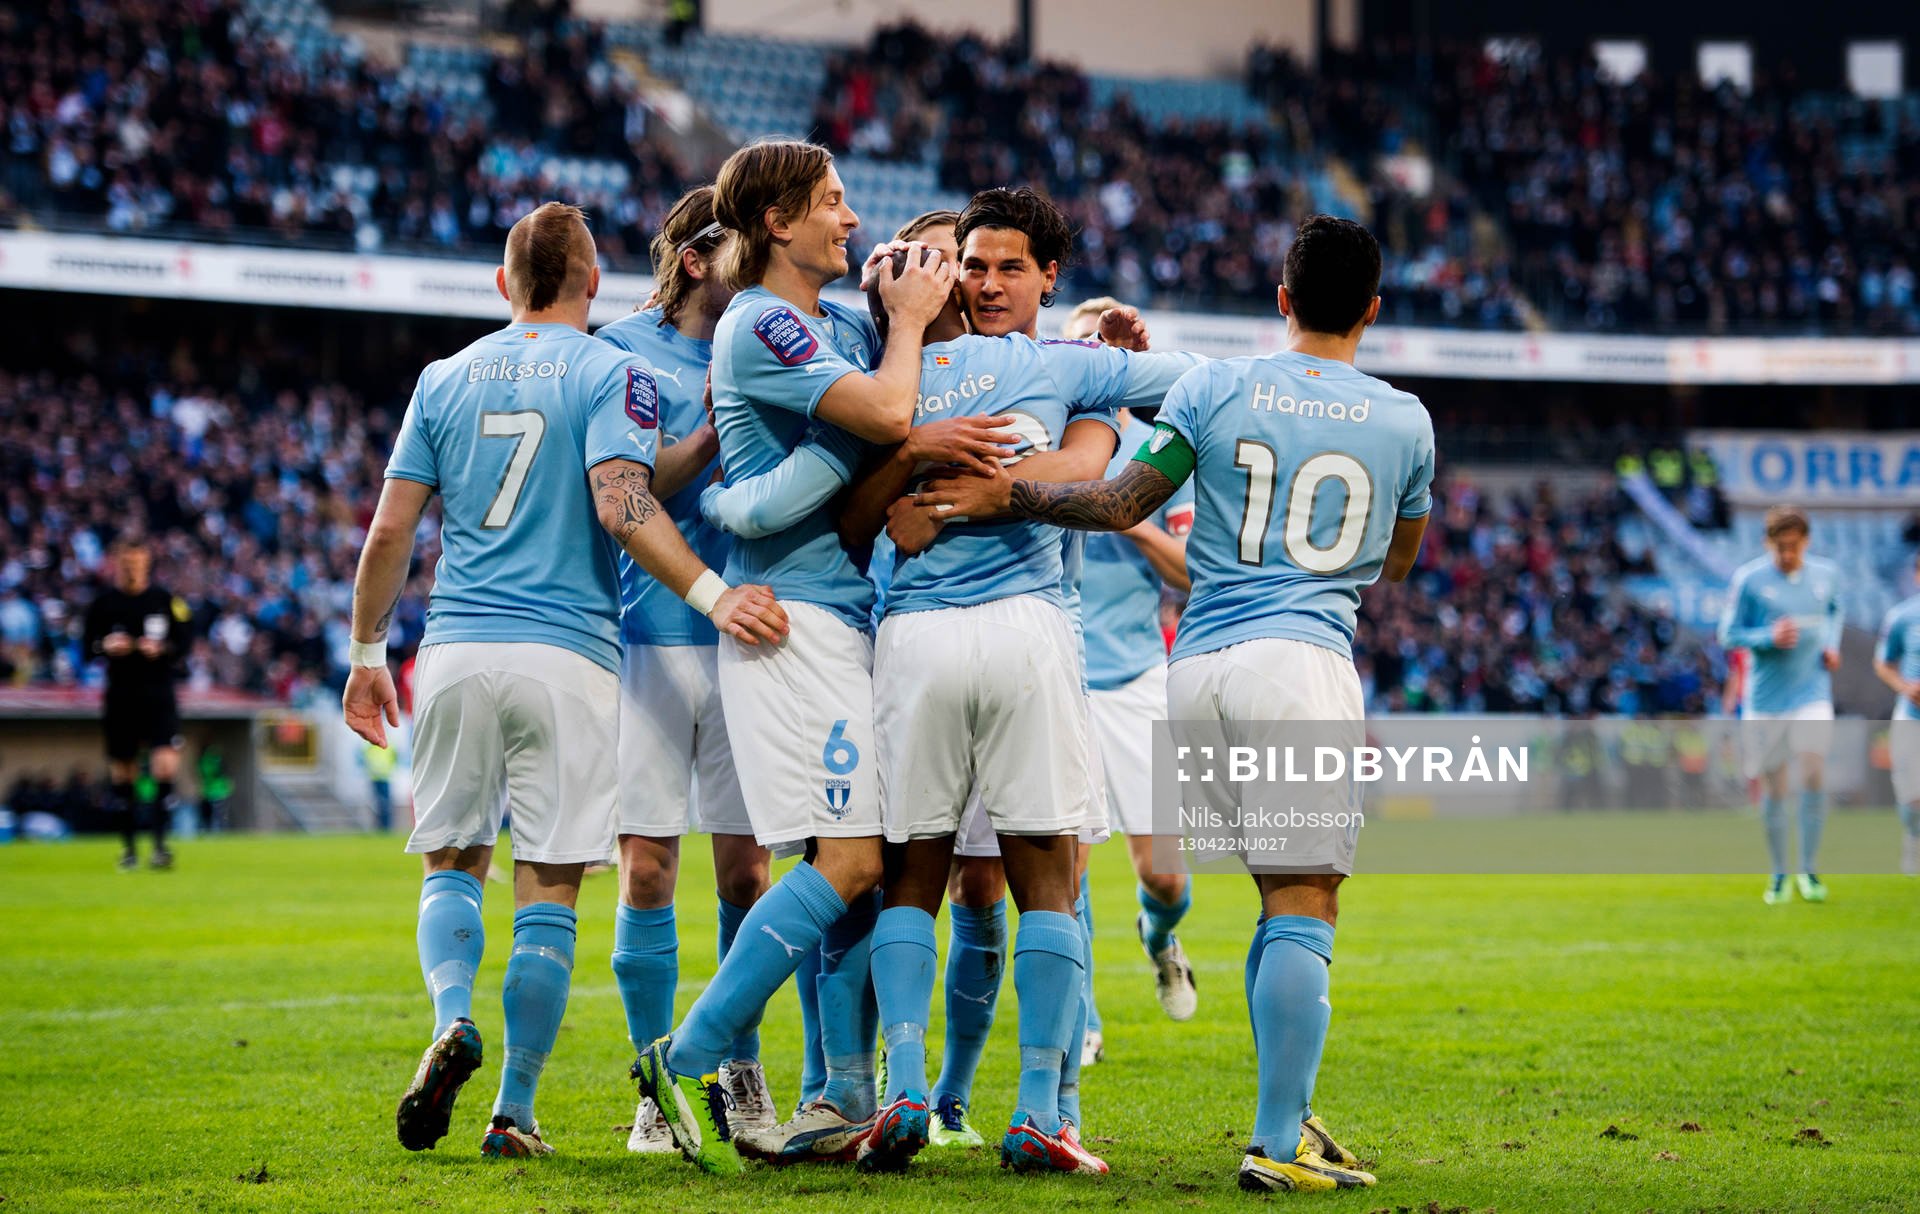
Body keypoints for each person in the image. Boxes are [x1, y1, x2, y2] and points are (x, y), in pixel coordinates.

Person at [920, 213, 1434, 1193]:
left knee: (1267, 900)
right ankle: (1279, 1139)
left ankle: (1289, 1118)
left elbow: (1116, 504)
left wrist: (1012, 495)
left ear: (1280, 298)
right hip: (1302, 658)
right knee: (1300, 900)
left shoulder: (1215, 383)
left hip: (1195, 669)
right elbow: (1398, 561)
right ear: (1372, 308)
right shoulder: (1406, 418)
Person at [342, 201, 786, 1160]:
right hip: (573, 651)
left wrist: (367, 655)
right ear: (592, 284)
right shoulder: (612, 367)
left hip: (455, 645)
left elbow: (387, 534)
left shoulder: (443, 375)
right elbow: (621, 502)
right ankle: (514, 1111)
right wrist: (712, 591)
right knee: (550, 885)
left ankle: (451, 1017)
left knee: (453, 859)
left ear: (504, 285)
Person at [631, 139, 956, 1176]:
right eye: (832, 201)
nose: (850, 218)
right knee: (850, 860)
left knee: (860, 864)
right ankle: (685, 1056)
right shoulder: (762, 321)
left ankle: (834, 1090)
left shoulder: (828, 318)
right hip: (792, 625)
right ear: (776, 222)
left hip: (835, 614)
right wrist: (903, 326)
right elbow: (891, 413)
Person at [593, 185, 783, 1149]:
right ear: (701, 255)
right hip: (651, 640)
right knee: (649, 868)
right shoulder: (621, 351)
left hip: (752, 642)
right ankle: (652, 1082)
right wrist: (707, 433)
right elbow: (624, 493)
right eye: (744, 246)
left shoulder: (775, 336)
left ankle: (739, 1066)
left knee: (747, 874)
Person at [1061, 296, 1201, 1029]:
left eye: (1099, 346)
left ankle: (1159, 932)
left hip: (1137, 675)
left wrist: (1129, 516)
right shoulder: (1045, 440)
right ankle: (1080, 1025)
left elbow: (1190, 572)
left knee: (1165, 874)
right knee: (1068, 866)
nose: (1087, 357)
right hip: (1057, 671)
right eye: (1073, 345)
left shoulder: (1157, 451)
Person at [1716, 506, 1842, 905]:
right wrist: (1767, 636)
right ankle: (1778, 873)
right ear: (1766, 543)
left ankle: (1809, 869)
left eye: (1794, 546)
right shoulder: (1749, 581)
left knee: (1813, 768)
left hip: (1812, 693)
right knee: (1775, 787)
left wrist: (1831, 646)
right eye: (1779, 547)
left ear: (1806, 542)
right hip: (1767, 700)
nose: (1787, 554)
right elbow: (1727, 634)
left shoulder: (1827, 575)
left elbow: (1835, 612)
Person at [82, 539, 192, 871]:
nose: (132, 568)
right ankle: (129, 850)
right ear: (116, 563)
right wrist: (105, 645)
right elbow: (86, 648)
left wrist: (163, 650)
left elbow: (184, 645)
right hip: (120, 698)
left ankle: (160, 847)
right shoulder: (102, 605)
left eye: (137, 562)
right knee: (124, 774)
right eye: (126, 562)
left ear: (147, 563)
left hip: (159, 697)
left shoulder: (166, 601)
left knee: (164, 767)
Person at [1871, 552, 1920, 876]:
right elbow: (1883, 663)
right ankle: (1913, 846)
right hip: (1912, 717)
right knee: (1912, 794)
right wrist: (1904, 686)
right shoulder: (1903, 617)